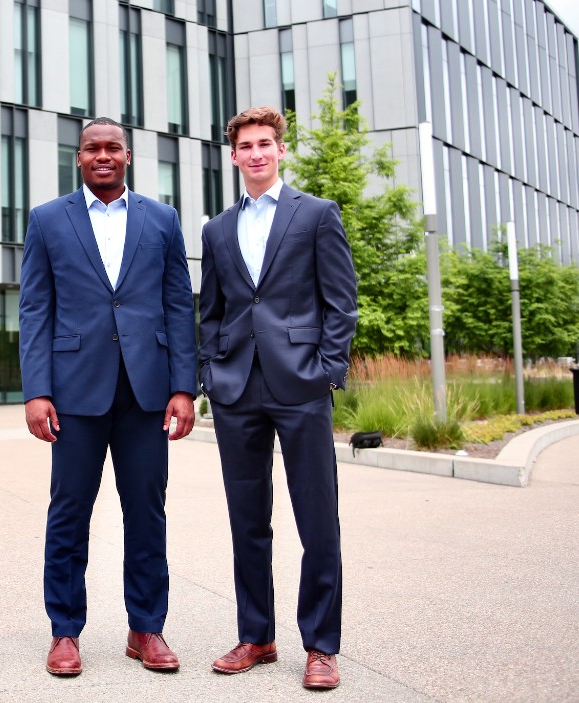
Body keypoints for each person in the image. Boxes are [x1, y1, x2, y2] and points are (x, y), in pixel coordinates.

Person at [19, 117, 197, 677]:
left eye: (112, 148)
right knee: (68, 512)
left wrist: (183, 387)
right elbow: (35, 309)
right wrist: (36, 391)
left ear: (127, 156)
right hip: (73, 392)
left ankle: (146, 627)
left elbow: (178, 305)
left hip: (146, 392)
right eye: (92, 148)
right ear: (79, 158)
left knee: (146, 512)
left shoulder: (162, 220)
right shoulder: (48, 220)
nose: (103, 156)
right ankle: (65, 631)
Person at [197, 106, 358, 690]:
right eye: (247, 145)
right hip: (238, 387)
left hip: (301, 383)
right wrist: (211, 372)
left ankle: (320, 645)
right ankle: (257, 636)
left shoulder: (316, 214)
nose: (258, 153)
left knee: (317, 518)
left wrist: (327, 370)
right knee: (248, 520)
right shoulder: (217, 229)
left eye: (267, 143)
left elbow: (341, 301)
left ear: (280, 150)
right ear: (234, 155)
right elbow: (210, 310)